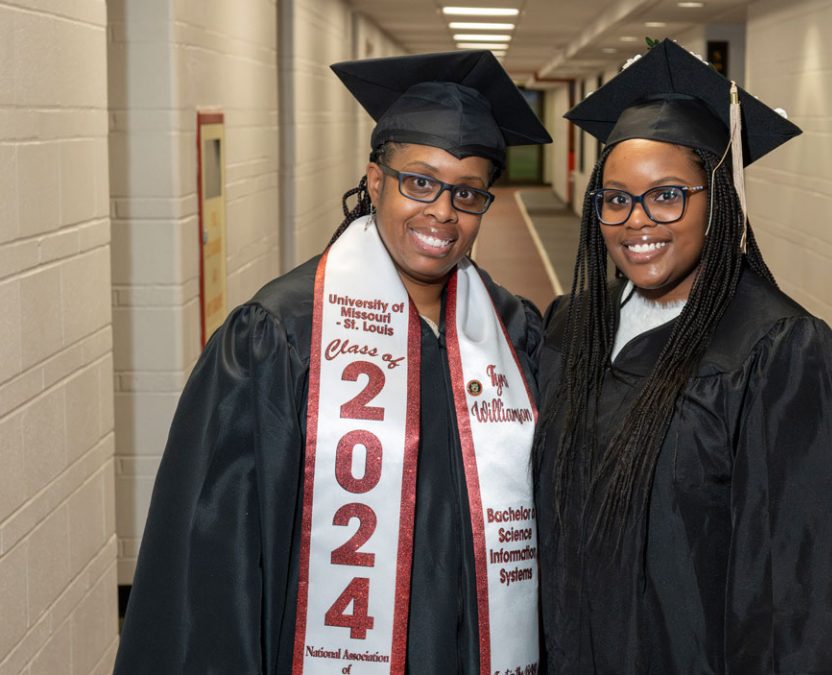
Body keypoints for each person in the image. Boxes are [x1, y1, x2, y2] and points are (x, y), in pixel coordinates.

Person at [115, 50, 551, 675]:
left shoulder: (511, 333)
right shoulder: (280, 334)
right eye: (418, 182)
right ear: (375, 180)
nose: (442, 212)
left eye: (467, 192)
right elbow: (213, 553)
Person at [535, 39, 832, 674]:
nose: (636, 220)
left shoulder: (779, 356)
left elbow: (807, 599)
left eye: (668, 194)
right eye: (615, 198)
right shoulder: (576, 328)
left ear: (719, 198)